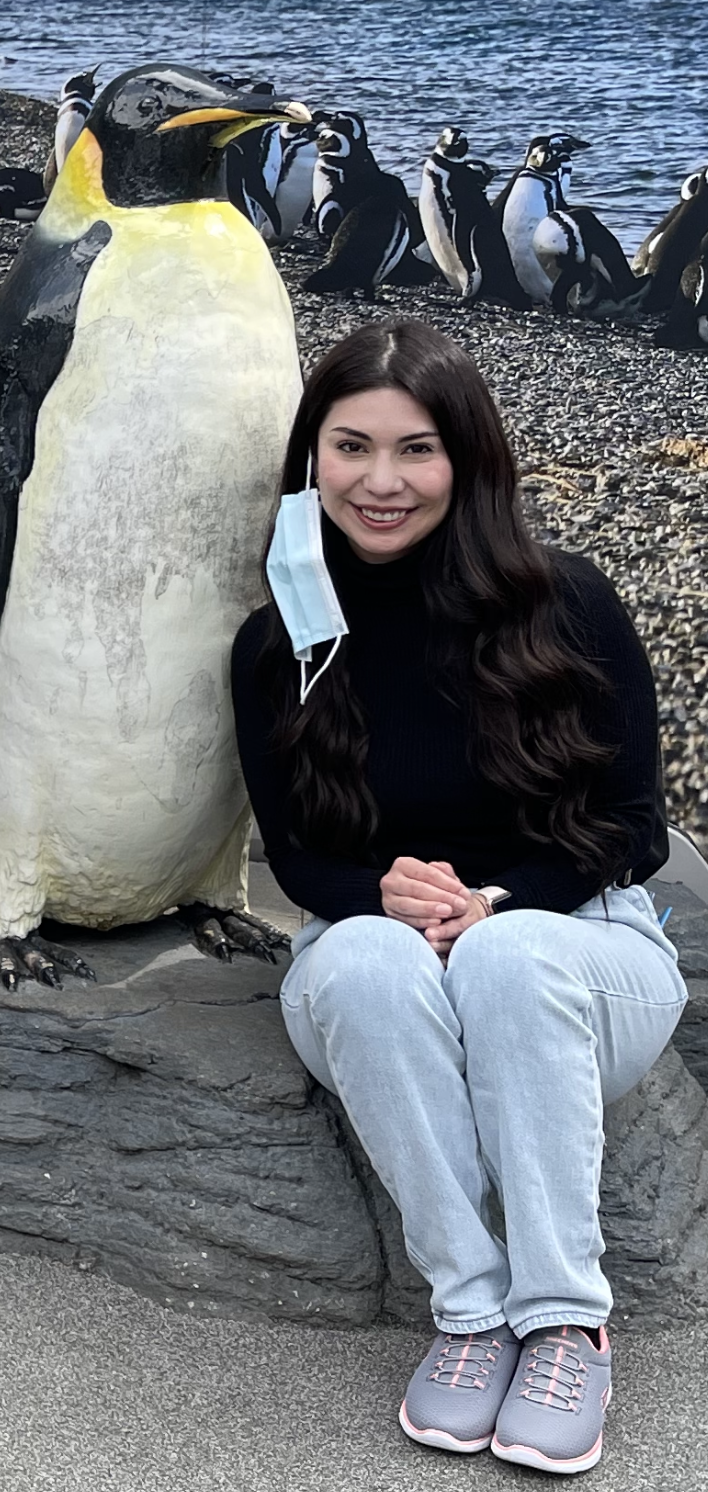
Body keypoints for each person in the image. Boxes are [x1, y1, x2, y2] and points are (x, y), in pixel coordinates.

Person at [230, 319, 687, 1477]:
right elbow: (298, 860)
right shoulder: (278, 642)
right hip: (380, 964)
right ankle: (473, 1313)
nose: (380, 481)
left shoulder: (566, 602)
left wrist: (498, 902)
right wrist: (377, 894)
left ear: (468, 457)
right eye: (351, 447)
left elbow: (634, 828)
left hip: (576, 952)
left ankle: (566, 1322)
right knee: (361, 959)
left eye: (416, 449)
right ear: (312, 458)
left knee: (507, 956)